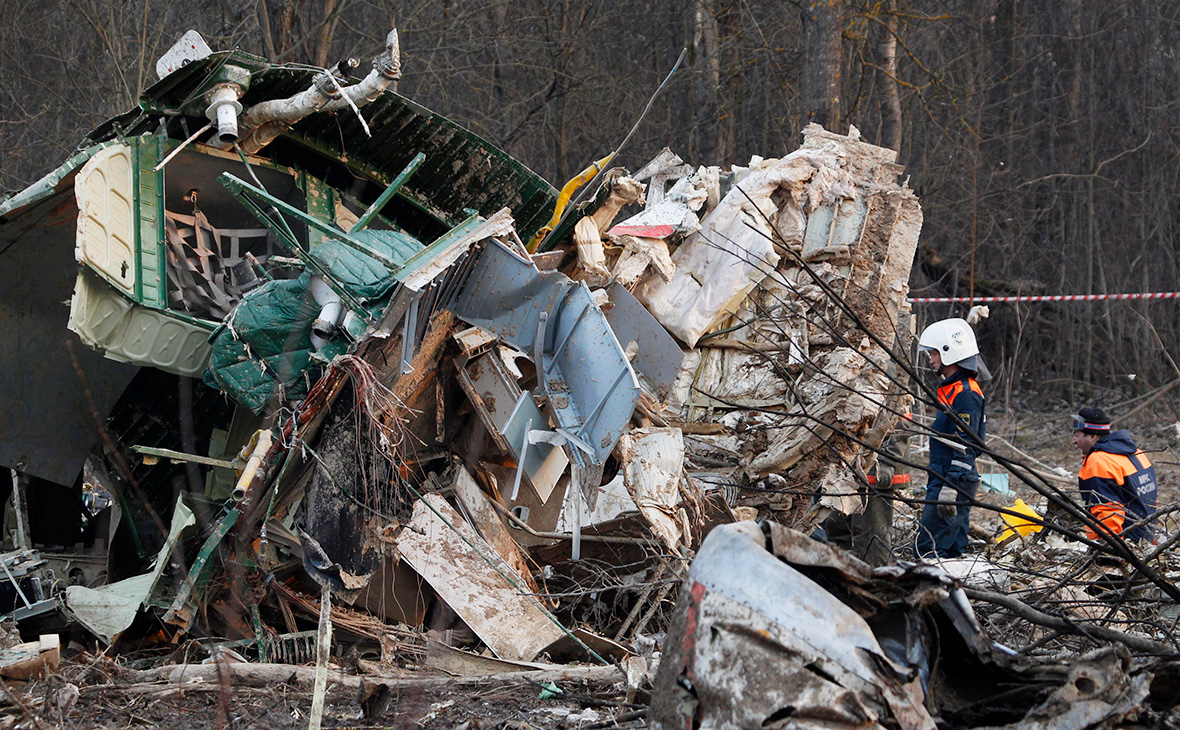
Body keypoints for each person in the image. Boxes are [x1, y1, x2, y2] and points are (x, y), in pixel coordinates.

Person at [914, 318, 986, 559]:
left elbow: (967, 444)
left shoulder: (966, 393)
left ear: (948, 352)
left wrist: (950, 486)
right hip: (944, 471)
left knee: (929, 547)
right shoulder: (951, 388)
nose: (931, 360)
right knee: (953, 547)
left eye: (933, 354)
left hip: (953, 475)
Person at [1071, 407, 1157, 543]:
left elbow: (1108, 510)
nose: (1073, 441)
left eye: (1077, 435)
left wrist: (1108, 549)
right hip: (1147, 538)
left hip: (1126, 542)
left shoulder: (1098, 461)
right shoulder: (1137, 453)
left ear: (1093, 437)